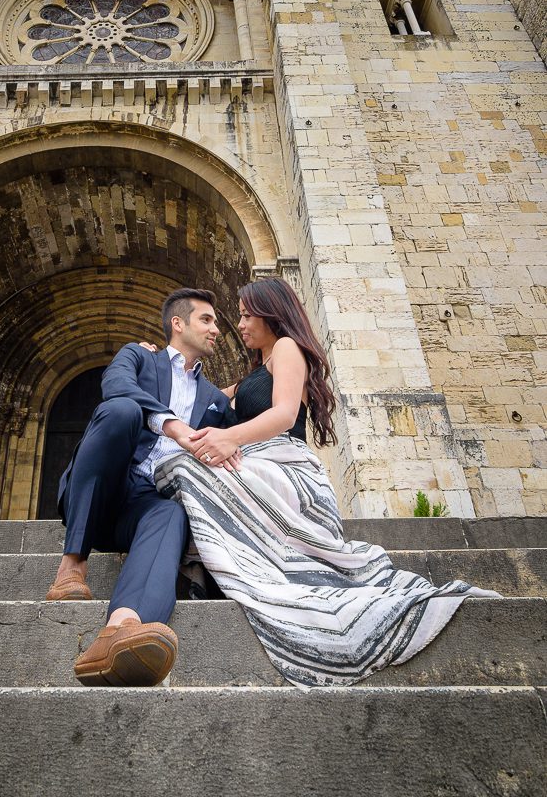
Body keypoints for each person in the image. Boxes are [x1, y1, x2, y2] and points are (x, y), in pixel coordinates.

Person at [154, 276, 499, 689]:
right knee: (179, 464)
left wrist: (229, 437)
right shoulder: (252, 374)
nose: (240, 324)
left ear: (271, 314)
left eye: (247, 315)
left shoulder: (287, 349)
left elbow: (283, 414)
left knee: (190, 467)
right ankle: (210, 568)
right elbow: (199, 392)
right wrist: (159, 360)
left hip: (289, 468)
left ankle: (205, 569)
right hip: (258, 464)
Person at [45, 287, 237, 686]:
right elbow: (114, 385)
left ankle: (120, 630)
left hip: (148, 503)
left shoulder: (215, 399)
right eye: (207, 319)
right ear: (177, 323)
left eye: (217, 322)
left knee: (171, 513)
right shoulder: (138, 356)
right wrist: (173, 426)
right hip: (106, 487)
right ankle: (72, 565)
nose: (217, 329)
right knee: (121, 410)